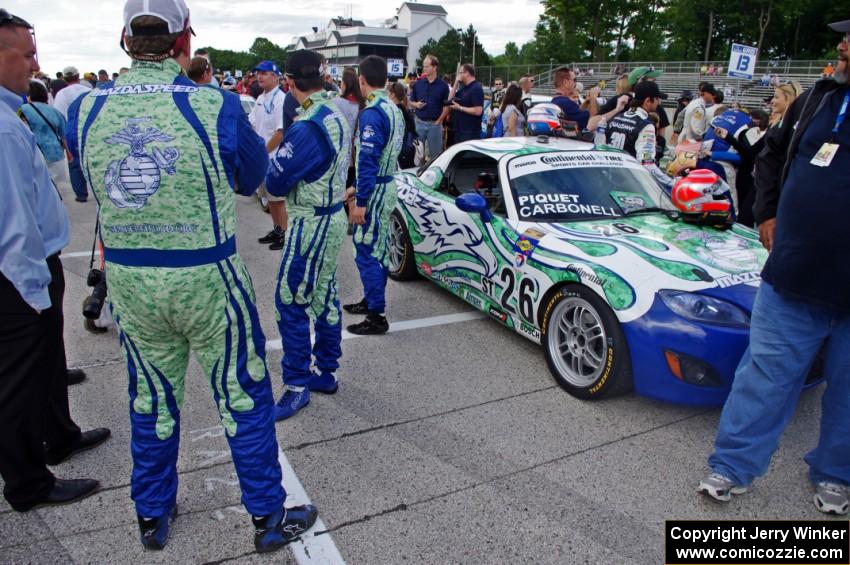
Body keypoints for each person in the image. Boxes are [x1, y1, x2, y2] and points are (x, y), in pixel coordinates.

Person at [68, 0, 317, 550]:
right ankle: (268, 520)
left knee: (150, 397)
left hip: (131, 281)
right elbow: (252, 178)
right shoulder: (214, 103)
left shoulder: (84, 107)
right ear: (184, 40)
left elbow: (83, 188)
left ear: (125, 40)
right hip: (206, 275)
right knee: (243, 393)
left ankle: (152, 514)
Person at [699, 20, 850, 516]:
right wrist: (765, 212)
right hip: (792, 278)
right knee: (763, 377)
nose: (841, 46)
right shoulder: (818, 100)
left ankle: (836, 475)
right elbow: (769, 156)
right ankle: (732, 466)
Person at [0, 7, 109, 514]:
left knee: (45, 363)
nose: (35, 65)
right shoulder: (2, 129)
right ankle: (28, 483)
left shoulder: (10, 114)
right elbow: (12, 226)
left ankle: (59, 434)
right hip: (19, 274)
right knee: (18, 381)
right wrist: (33, 293)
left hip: (33, 265)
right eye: (26, 54)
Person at [265, 49, 351, 421]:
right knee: (325, 293)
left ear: (289, 82)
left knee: (290, 299)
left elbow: (276, 181)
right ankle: (326, 371)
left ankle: (297, 384)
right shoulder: (337, 111)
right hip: (332, 216)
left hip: (311, 221)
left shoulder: (308, 124)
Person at [343, 55, 404, 335]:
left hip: (376, 191)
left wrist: (361, 201)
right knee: (376, 247)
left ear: (362, 80)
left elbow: (368, 158)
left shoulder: (372, 112)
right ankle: (371, 300)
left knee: (367, 250)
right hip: (386, 183)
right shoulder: (394, 109)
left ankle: (377, 314)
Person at [605, 81, 674, 192]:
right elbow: (647, 164)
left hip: (609, 180)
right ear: (648, 101)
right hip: (631, 184)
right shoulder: (645, 125)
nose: (658, 102)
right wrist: (673, 183)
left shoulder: (616, 118)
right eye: (657, 99)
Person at [249, 60, 289, 251]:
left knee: (277, 199)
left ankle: (283, 233)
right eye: (258, 73)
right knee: (267, 198)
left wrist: (262, 153)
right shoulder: (260, 98)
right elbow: (253, 124)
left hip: (273, 158)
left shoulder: (280, 98)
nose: (259, 76)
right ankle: (276, 228)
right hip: (261, 158)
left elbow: (280, 132)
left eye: (264, 73)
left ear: (275, 76)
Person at [20, 80, 72, 194]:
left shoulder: (23, 110)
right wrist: (69, 154)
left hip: (34, 153)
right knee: (52, 185)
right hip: (55, 154)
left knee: (38, 187)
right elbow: (64, 136)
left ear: (29, 95)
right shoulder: (55, 112)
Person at [53, 65, 91, 202]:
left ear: (64, 78)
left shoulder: (61, 94)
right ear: (77, 75)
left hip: (70, 133)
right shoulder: (89, 90)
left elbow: (59, 115)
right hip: (88, 130)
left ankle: (81, 194)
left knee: (74, 164)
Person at [409, 54, 449, 161]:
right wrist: (416, 105)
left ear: (435, 67)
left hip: (434, 125)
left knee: (436, 156)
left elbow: (447, 107)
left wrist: (439, 121)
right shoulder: (418, 84)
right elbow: (410, 101)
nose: (424, 69)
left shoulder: (443, 86)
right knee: (418, 155)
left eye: (427, 66)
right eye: (423, 66)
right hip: (419, 123)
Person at [448, 63, 484, 144]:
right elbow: (450, 99)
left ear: (467, 73)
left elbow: (478, 111)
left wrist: (460, 108)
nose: (459, 75)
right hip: (459, 130)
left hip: (470, 132)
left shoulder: (476, 88)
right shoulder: (463, 88)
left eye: (460, 73)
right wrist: (456, 82)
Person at [388, 81, 417, 168]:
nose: (387, 95)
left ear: (393, 95)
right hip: (407, 150)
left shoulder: (396, 111)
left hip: (401, 151)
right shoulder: (404, 109)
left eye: (388, 93)